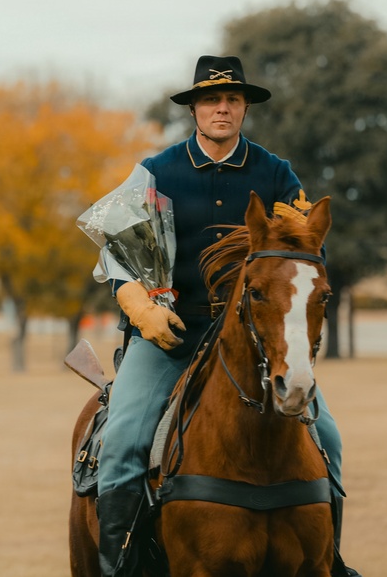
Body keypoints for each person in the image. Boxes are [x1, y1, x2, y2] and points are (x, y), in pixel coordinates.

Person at [95, 56, 359, 576]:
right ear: (193, 109)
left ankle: (332, 559)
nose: (222, 108)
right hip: (171, 338)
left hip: (257, 343)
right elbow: (119, 257)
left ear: (244, 109)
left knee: (327, 438)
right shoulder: (155, 172)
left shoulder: (277, 174)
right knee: (122, 445)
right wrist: (140, 307)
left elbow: (305, 254)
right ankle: (116, 566)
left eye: (233, 100)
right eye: (212, 100)